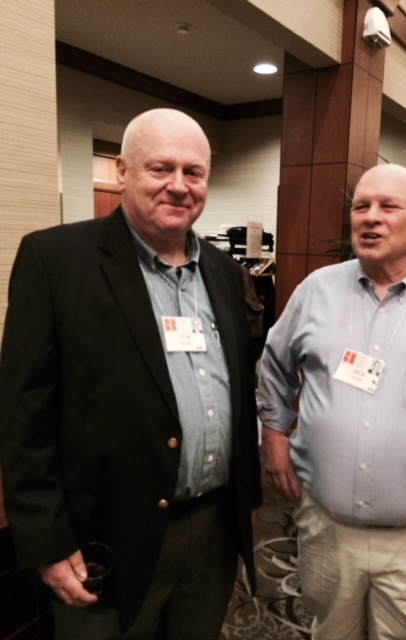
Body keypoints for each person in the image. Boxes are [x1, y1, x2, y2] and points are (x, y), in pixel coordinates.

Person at [0, 108, 262, 640]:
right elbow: (23, 414)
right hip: (108, 538)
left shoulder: (225, 274)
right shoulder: (56, 261)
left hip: (213, 529)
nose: (179, 185)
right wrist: (47, 542)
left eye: (193, 172)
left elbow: (240, 393)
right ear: (123, 171)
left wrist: (247, 502)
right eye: (160, 168)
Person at [257, 163, 406, 640]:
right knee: (330, 631)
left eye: (388, 206)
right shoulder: (316, 290)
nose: (370, 217)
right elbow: (273, 365)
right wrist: (273, 436)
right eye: (361, 206)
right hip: (326, 528)